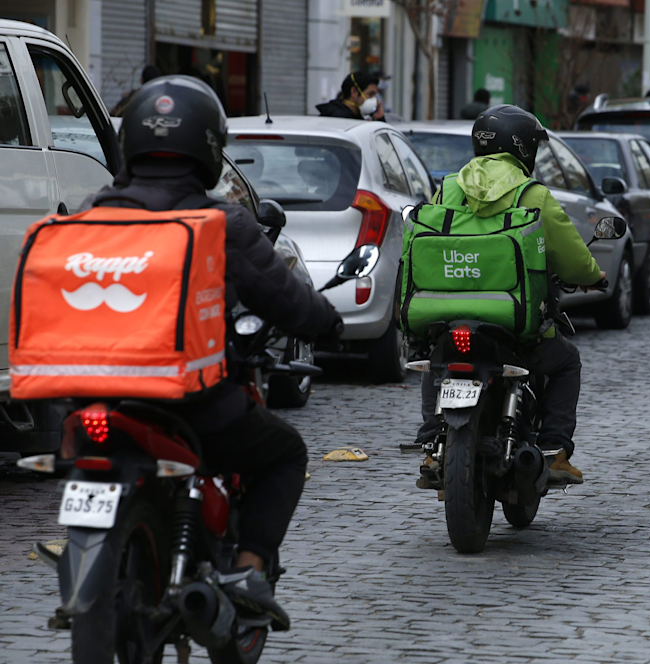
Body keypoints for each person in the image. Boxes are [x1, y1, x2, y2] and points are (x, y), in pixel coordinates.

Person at [86, 75, 342, 628]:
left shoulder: (89, 215)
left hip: (91, 392)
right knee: (285, 454)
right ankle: (249, 570)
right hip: (188, 401)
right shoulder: (219, 222)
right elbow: (287, 299)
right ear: (208, 148)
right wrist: (328, 322)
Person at [404, 105, 605, 485]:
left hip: (442, 313)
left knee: (439, 359)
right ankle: (554, 451)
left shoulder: (447, 187)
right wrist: (594, 276)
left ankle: (432, 443)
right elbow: (573, 259)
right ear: (524, 149)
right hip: (513, 322)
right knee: (566, 363)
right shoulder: (533, 194)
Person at [316, 71, 386, 121]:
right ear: (354, 92)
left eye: (375, 95)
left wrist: (379, 118)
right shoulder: (339, 120)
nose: (375, 100)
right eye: (370, 94)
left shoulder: (355, 117)